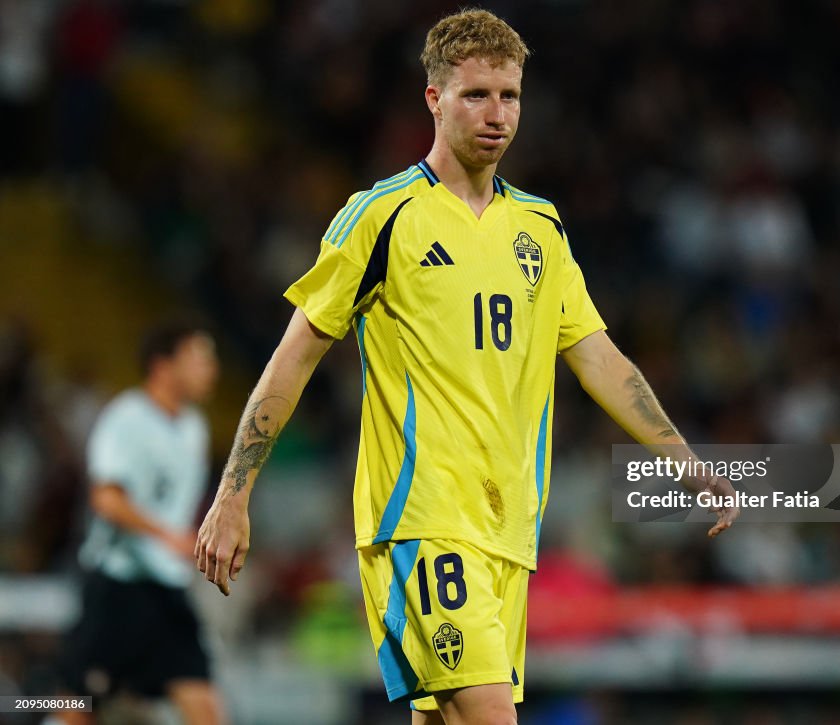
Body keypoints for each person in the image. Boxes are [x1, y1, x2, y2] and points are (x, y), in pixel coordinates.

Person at [195, 9, 739, 724]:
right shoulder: (381, 216)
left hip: (509, 526)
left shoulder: (540, 228)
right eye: (476, 94)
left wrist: (683, 458)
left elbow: (598, 356)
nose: (497, 114)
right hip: (420, 518)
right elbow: (293, 356)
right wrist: (235, 494)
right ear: (434, 99)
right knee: (488, 713)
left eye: (509, 95)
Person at [57, 321, 224, 725]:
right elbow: (106, 498)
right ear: (163, 366)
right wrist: (167, 535)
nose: (212, 369)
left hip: (166, 590)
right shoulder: (126, 418)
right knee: (77, 707)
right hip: (118, 584)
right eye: (200, 358)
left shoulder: (194, 428)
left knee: (205, 707)